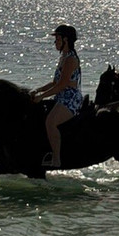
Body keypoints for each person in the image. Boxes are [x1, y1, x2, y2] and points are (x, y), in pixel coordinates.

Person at [30, 24, 82, 168]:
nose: (55, 42)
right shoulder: (63, 57)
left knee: (50, 122)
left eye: (58, 38)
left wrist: (42, 97)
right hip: (60, 95)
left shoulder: (71, 59)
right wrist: (38, 90)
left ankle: (56, 160)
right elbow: (54, 82)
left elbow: (63, 84)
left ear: (66, 40)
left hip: (70, 98)